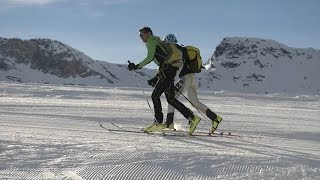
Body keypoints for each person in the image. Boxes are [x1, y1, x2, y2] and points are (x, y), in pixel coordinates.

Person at [127, 27, 201, 135]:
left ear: (148, 33)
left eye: (142, 34)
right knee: (171, 99)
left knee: (155, 96)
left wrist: (136, 66)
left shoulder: (151, 42)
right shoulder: (157, 41)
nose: (141, 37)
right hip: (169, 72)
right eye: (140, 35)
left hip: (167, 73)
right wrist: (156, 77)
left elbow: (149, 58)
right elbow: (163, 62)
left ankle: (158, 123)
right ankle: (192, 118)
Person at [159, 34, 223, 134]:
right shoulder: (183, 50)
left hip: (185, 78)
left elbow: (178, 68)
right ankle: (215, 119)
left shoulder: (176, 52)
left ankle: (169, 123)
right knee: (195, 102)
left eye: (166, 44)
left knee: (171, 99)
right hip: (191, 77)